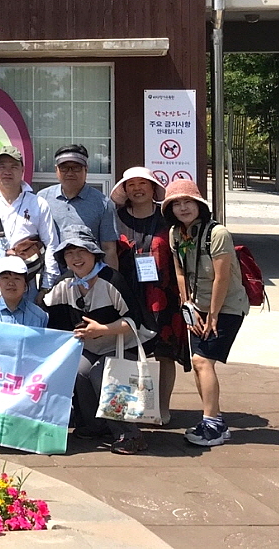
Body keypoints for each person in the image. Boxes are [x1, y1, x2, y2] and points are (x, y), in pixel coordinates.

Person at [42, 225, 149, 455]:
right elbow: (48, 316)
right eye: (69, 253)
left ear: (94, 253)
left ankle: (129, 433)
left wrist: (103, 329)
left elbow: (134, 322)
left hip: (121, 345)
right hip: (89, 347)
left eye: (81, 251)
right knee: (75, 371)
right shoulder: (64, 284)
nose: (76, 258)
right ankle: (91, 424)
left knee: (103, 374)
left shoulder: (112, 280)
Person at [163, 179, 250, 447]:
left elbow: (222, 278)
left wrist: (212, 315)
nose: (183, 207)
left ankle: (212, 424)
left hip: (227, 307)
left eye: (187, 201)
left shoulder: (218, 233)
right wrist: (187, 305)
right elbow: (180, 271)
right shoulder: (175, 234)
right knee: (201, 365)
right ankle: (214, 421)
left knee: (202, 361)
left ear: (199, 204)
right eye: (176, 204)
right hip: (197, 308)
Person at [110, 166, 186, 425]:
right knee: (127, 352)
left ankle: (163, 409)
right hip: (128, 296)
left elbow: (181, 258)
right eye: (131, 184)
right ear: (125, 190)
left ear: (153, 188)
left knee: (165, 354)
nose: (138, 188)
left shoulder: (168, 220)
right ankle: (130, 408)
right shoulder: (115, 218)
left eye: (144, 183)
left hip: (163, 297)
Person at [0, 145, 59, 303]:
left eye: (13, 166)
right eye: (2, 166)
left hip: (27, 289)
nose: (7, 171)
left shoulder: (38, 204)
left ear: (22, 169)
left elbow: (51, 246)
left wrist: (46, 287)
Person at [37, 144, 119, 270]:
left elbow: (108, 248)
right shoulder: (42, 199)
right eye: (64, 168)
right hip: (51, 278)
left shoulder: (103, 203)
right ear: (56, 170)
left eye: (75, 168)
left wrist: (111, 283)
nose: (70, 173)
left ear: (86, 169)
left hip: (90, 279)